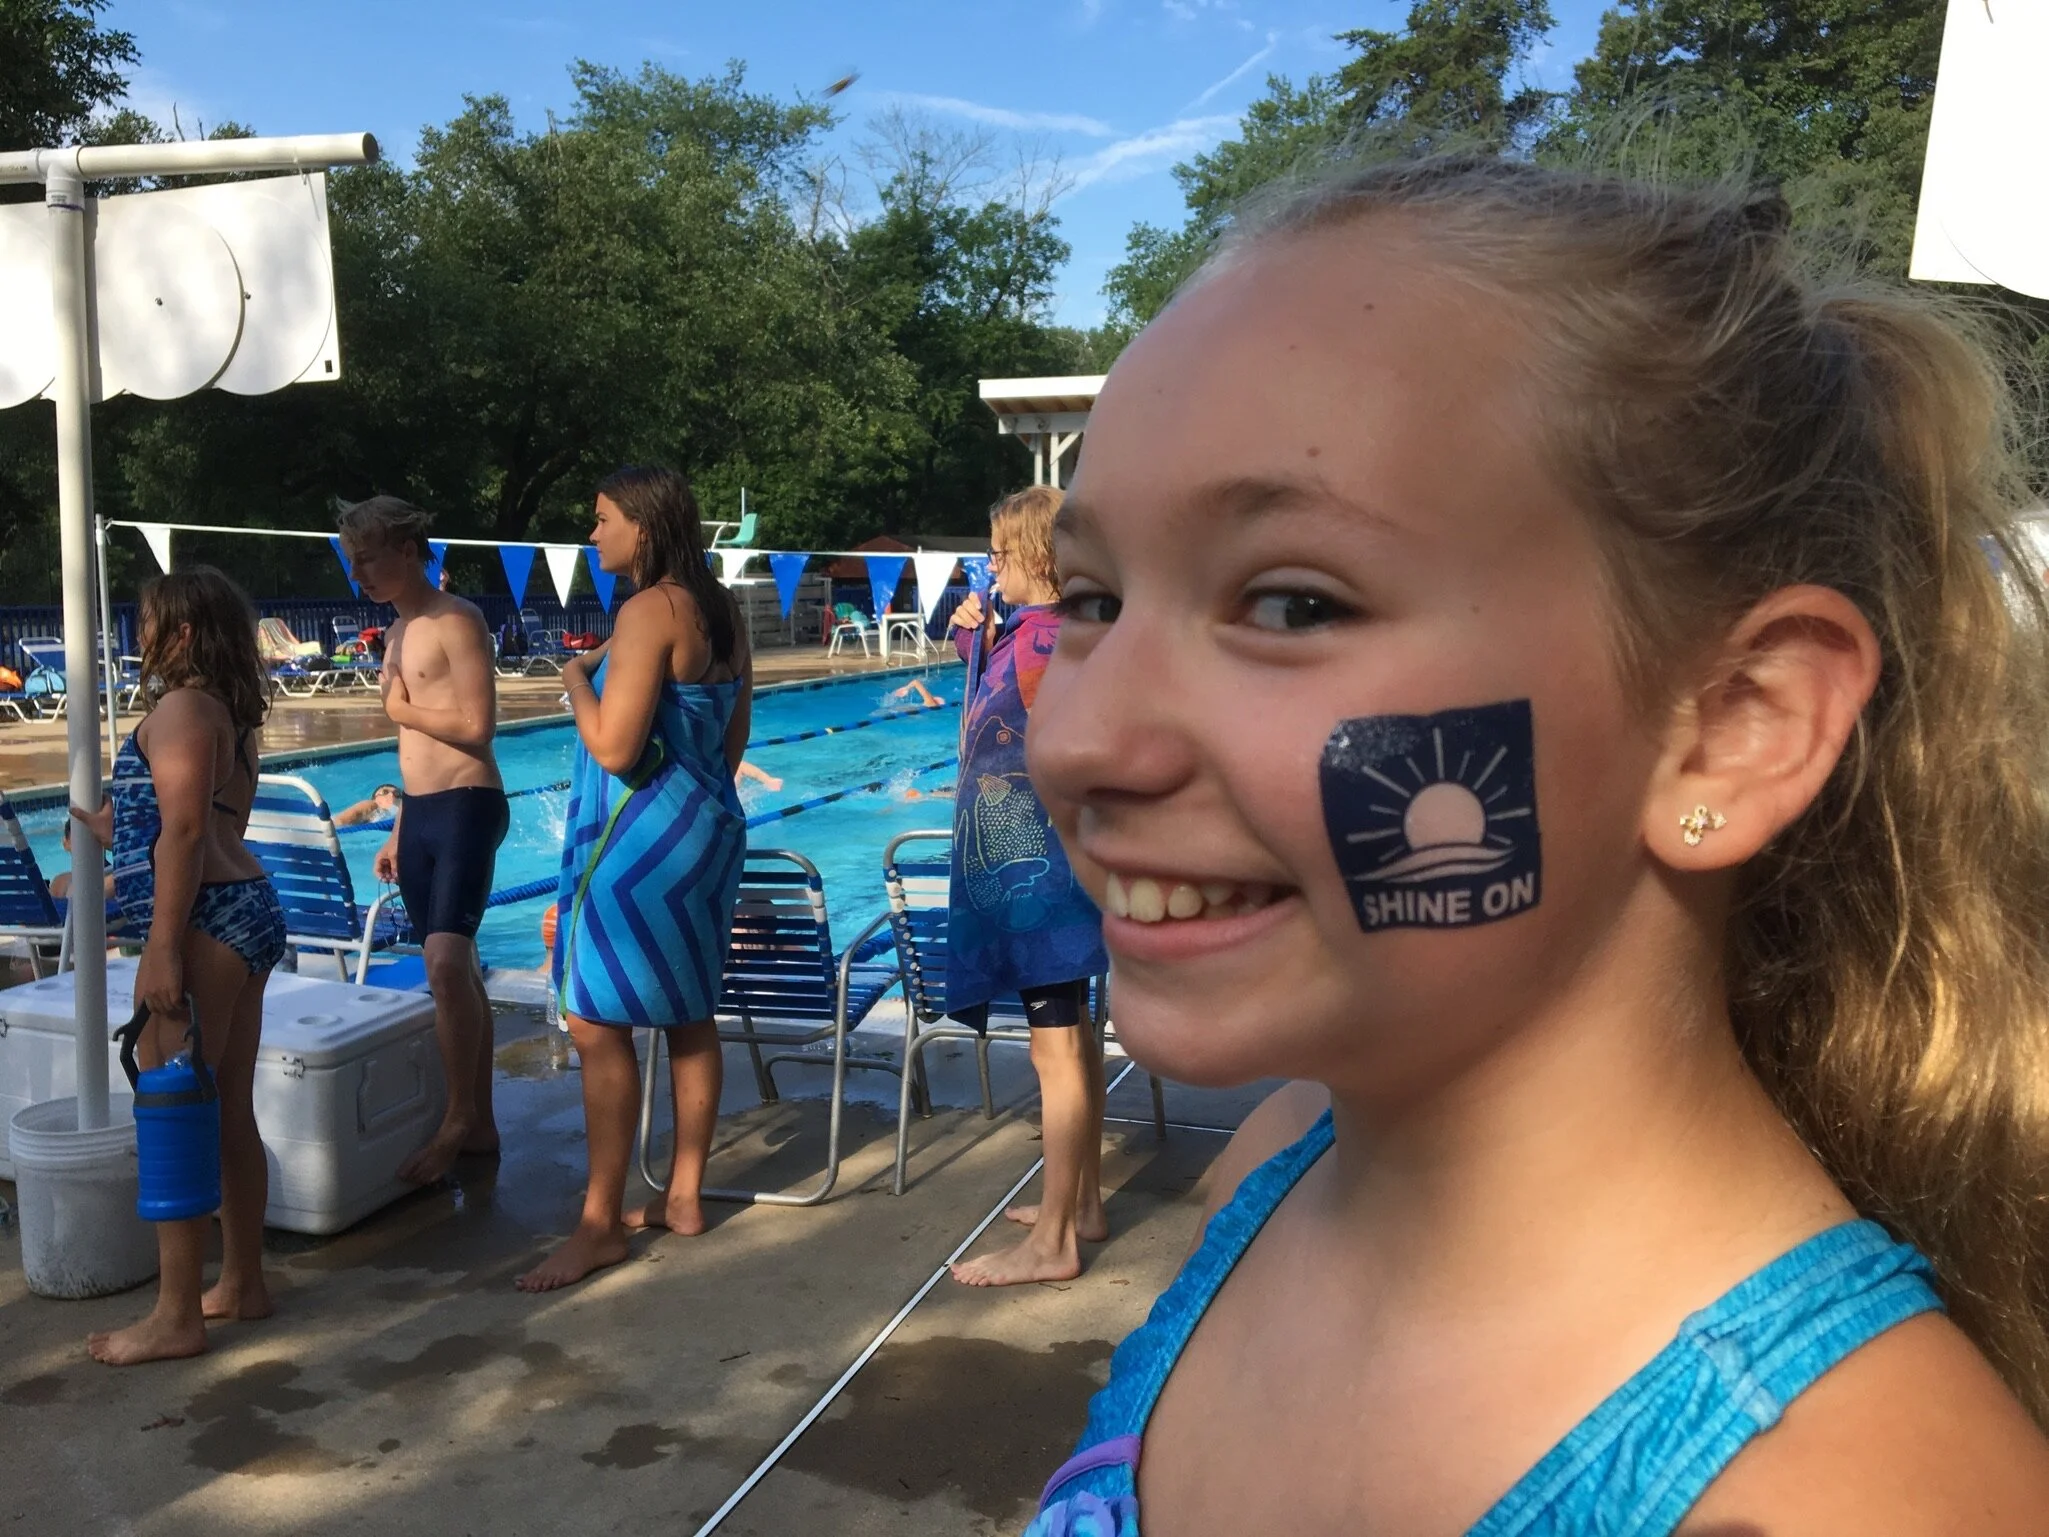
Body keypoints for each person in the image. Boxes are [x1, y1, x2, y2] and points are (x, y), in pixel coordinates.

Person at [1020, 157, 2049, 1535]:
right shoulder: (1273, 1174)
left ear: (1729, 727)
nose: (1081, 741)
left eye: (1293, 603)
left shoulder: (1857, 1502)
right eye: (1092, 596)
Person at [519, 465, 752, 1292]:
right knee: (690, 1016)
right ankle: (683, 1196)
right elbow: (731, 744)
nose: (593, 535)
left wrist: (578, 682)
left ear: (643, 528)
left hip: (637, 846)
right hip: (707, 833)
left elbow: (616, 749)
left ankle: (596, 1225)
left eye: (602, 518)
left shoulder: (647, 610)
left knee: (592, 1022)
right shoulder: (721, 609)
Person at [73, 568, 287, 1365]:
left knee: (172, 1108)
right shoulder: (221, 712)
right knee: (226, 1106)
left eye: (148, 618)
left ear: (184, 632)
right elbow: (180, 818)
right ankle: (242, 1283)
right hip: (244, 912)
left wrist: (161, 945)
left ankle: (175, 1315)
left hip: (202, 923)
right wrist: (109, 825)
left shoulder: (181, 709)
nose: (138, 631)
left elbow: (189, 833)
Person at [945, 485, 1109, 1288]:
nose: (989, 567)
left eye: (998, 553)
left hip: (1040, 879)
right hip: (1038, 876)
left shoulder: (1049, 645)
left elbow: (1069, 746)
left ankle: (1052, 1242)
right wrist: (970, 641)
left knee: (1055, 1051)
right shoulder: (1033, 635)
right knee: (1069, 1035)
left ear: (1035, 556)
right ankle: (1082, 1204)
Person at [338, 497, 506, 1186]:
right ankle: (484, 1123)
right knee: (458, 971)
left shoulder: (457, 620)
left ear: (407, 551)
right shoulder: (398, 633)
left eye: (368, 559)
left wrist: (399, 704)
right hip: (425, 812)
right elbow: (411, 743)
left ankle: (457, 1118)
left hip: (469, 802)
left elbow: (478, 725)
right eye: (352, 563)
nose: (359, 575)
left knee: (441, 963)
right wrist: (402, 822)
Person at [334, 783, 402, 828]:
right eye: (385, 792)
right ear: (376, 799)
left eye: (396, 793)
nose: (391, 795)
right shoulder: (371, 805)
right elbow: (339, 821)